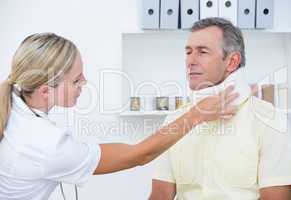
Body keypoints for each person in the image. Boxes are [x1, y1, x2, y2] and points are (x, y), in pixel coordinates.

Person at [0, 33, 238, 200]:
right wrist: (195, 115)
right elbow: (139, 155)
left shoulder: (14, 95)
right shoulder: (44, 144)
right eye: (76, 80)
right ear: (44, 91)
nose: (84, 83)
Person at [149, 17, 291, 200]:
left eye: (202, 52)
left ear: (232, 61)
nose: (190, 61)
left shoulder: (270, 119)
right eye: (188, 52)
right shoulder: (176, 119)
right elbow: (160, 195)